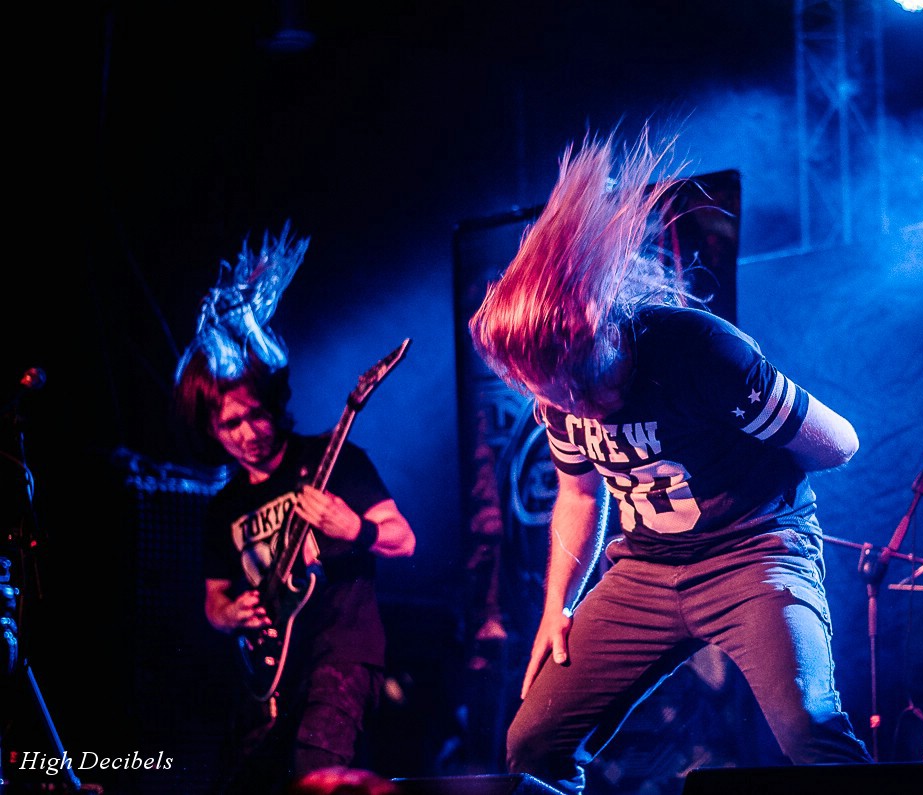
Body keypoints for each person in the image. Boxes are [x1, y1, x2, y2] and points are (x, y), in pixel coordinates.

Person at [468, 127, 872, 792]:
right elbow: (578, 493)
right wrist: (556, 607)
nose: (572, 409)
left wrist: (761, 434)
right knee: (532, 742)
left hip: (752, 555)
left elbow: (841, 443)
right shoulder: (555, 392)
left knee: (809, 725)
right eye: (552, 397)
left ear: (600, 335)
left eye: (578, 390)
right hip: (645, 573)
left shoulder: (700, 353)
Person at [173, 226, 416, 794]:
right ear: (212, 430)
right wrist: (232, 614)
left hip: (343, 653)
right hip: (269, 673)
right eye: (230, 423)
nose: (248, 432)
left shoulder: (335, 459)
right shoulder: (225, 506)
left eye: (255, 414)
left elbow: (403, 539)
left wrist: (353, 528)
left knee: (317, 776)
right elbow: (213, 600)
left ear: (274, 404)